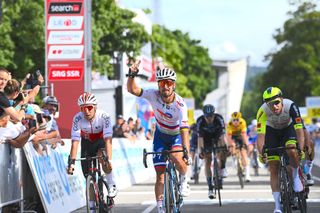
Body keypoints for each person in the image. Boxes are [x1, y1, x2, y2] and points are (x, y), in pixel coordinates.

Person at [127, 61, 191, 213]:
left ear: (173, 85)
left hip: (176, 135)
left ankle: (183, 179)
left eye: (169, 83)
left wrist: (186, 151)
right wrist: (131, 75)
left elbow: (184, 129)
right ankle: (161, 208)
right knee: (160, 175)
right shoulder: (153, 94)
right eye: (162, 83)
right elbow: (132, 89)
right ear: (158, 85)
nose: (165, 86)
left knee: (177, 156)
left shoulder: (180, 104)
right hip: (160, 136)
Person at [256, 87, 304, 213]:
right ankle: (277, 206)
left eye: (276, 103)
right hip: (272, 132)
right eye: (270, 104)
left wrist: (301, 148)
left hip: (288, 130)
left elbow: (299, 130)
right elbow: (261, 136)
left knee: (291, 150)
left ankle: (295, 177)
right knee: (273, 168)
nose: (274, 107)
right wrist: (261, 153)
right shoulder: (262, 111)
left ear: (282, 99)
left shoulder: (291, 106)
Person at [67, 92, 117, 206]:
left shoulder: (104, 116)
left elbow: (108, 139)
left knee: (102, 157)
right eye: (83, 108)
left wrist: (109, 160)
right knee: (88, 178)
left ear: (95, 107)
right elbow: (75, 142)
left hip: (101, 141)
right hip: (87, 143)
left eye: (89, 108)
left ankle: (111, 183)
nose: (86, 111)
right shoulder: (77, 118)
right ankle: (92, 206)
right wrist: (72, 163)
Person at [197, 104, 228, 199]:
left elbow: (222, 135)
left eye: (211, 116)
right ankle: (210, 187)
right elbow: (200, 138)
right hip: (206, 139)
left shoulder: (219, 119)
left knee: (223, 150)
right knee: (207, 160)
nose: (209, 118)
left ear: (214, 115)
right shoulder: (200, 121)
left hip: (217, 137)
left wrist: (224, 148)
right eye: (207, 116)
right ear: (204, 116)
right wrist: (200, 150)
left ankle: (222, 167)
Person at [227, 111, 251, 182]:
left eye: (237, 120)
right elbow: (229, 137)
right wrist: (230, 145)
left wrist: (246, 144)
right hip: (233, 136)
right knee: (232, 146)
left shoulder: (243, 122)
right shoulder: (229, 124)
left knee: (244, 154)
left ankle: (247, 174)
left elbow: (244, 135)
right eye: (234, 120)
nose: (235, 122)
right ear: (232, 120)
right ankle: (234, 158)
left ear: (240, 119)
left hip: (240, 136)